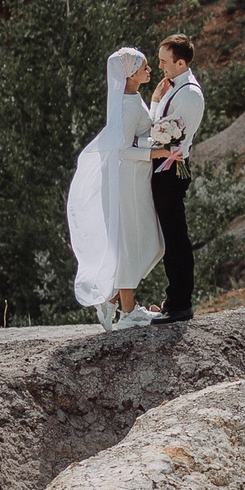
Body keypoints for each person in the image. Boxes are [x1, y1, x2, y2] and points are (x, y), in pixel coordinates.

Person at [68, 46, 163, 329]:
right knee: (134, 241)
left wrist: (156, 103)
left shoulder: (133, 98)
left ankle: (112, 300)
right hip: (129, 184)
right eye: (145, 67)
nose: (150, 71)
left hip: (135, 180)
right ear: (131, 74)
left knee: (143, 242)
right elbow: (122, 150)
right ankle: (128, 309)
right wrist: (155, 153)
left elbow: (141, 131)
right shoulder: (126, 105)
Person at [146, 32, 206, 323]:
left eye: (164, 61)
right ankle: (174, 298)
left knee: (176, 237)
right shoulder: (173, 87)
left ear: (181, 63)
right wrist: (157, 99)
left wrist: (155, 106)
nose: (160, 67)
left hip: (172, 169)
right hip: (163, 168)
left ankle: (180, 303)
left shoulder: (190, 94)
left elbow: (162, 135)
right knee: (171, 237)